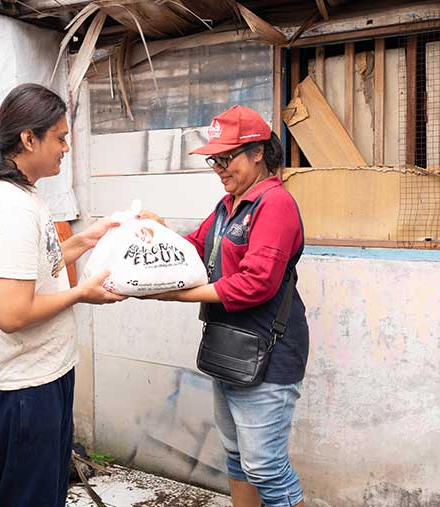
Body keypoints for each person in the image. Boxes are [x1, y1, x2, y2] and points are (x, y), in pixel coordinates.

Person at [0, 83, 125, 507]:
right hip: (22, 389)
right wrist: (81, 294)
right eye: (60, 137)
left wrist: (85, 240)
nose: (66, 147)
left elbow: (38, 266)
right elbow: (12, 313)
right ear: (28, 139)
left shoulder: (23, 196)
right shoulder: (10, 210)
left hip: (40, 378)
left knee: (46, 495)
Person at [147, 105, 309, 507]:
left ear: (258, 152)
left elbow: (257, 283)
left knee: (266, 467)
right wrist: (152, 233)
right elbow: (194, 249)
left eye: (227, 158)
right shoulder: (227, 207)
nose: (219, 168)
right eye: (214, 160)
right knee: (238, 459)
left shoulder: (275, 204)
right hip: (229, 347)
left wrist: (178, 295)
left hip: (268, 354)